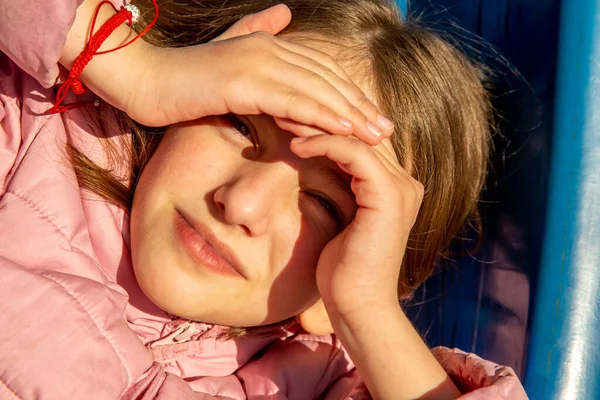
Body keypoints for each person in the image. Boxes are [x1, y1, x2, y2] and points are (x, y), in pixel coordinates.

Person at [0, 0, 528, 398]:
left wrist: (364, 311)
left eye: (323, 205)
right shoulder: (32, 128)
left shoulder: (317, 383)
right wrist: (134, 69)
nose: (242, 204)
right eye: (239, 124)